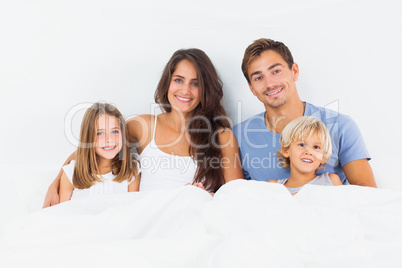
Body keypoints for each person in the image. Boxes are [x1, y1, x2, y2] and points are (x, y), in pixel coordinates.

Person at [43, 48, 243, 207]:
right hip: (143, 219)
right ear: (167, 84)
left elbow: (236, 196)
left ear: (206, 89)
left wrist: (207, 195)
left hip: (190, 218)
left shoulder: (222, 137)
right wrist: (55, 183)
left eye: (195, 83)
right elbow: (90, 150)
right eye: (179, 80)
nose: (185, 90)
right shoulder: (144, 126)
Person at [233, 38, 376, 187]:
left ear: (294, 71)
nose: (270, 84)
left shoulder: (340, 126)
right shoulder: (239, 136)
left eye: (276, 71)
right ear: (251, 88)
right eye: (258, 78)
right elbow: (238, 198)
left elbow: (367, 194)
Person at [60, 103, 139, 202]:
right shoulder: (71, 172)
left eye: (114, 131)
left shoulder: (131, 171)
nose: (109, 139)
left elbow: (132, 211)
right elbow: (62, 213)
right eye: (100, 133)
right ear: (88, 138)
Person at [268, 116, 342, 195]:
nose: (309, 152)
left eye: (316, 147)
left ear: (323, 157)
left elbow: (346, 206)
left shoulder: (331, 181)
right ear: (286, 150)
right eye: (302, 145)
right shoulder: (274, 186)